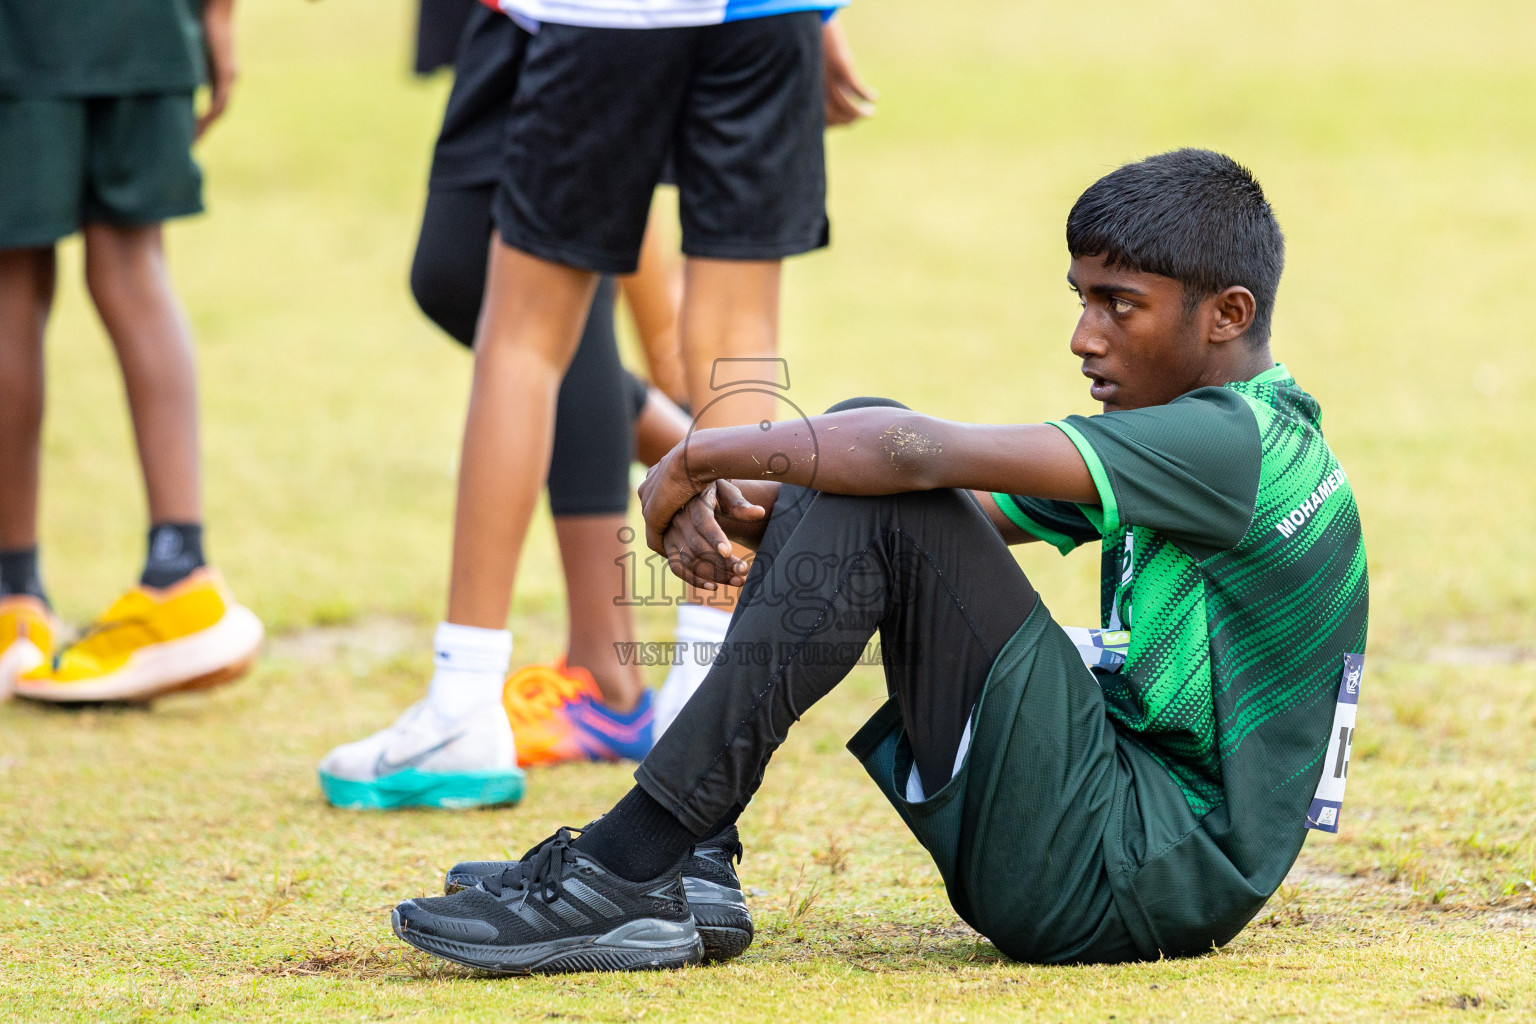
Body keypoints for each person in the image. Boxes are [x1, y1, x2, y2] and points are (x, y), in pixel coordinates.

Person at [387, 150, 1371, 973]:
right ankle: (686, 854)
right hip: (1129, 844)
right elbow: (922, 520)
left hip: (1134, 873)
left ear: (1227, 314)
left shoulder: (1231, 445)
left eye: (1121, 305)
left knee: (873, 446)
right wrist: (760, 510)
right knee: (857, 450)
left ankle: (634, 856)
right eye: (1083, 300)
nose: (1084, 336)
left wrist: (692, 453)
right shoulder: (1223, 431)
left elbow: (918, 460)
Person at [319, 0, 873, 806]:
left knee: (523, 338)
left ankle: (462, 705)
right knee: (738, 331)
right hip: (766, 12)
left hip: (608, 15)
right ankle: (703, 701)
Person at [0, 0, 263, 703]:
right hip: (148, 21)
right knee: (133, 260)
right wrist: (219, 13)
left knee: (9, 279)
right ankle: (180, 574)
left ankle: (11, 599)